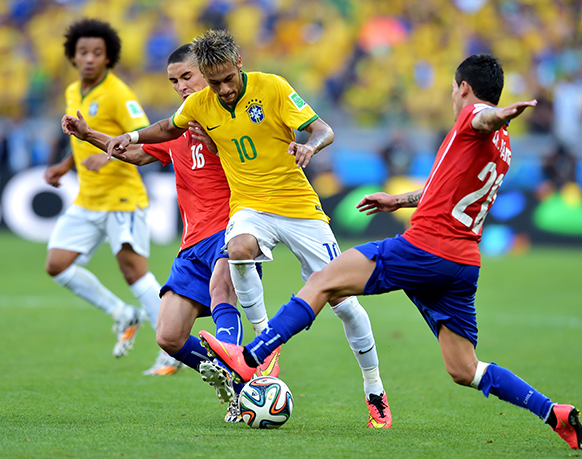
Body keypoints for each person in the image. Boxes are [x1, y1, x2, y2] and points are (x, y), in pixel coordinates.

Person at [199, 54, 582, 450]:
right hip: (462, 262)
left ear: (464, 89)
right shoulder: (502, 147)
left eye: (454, 90)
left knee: (323, 282)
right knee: (465, 368)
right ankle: (552, 412)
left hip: (425, 248)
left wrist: (497, 113)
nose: (454, 98)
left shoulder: (476, 120)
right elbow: (443, 187)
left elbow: (481, 118)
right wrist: (399, 200)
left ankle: (251, 357)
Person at [104, 29, 390, 429]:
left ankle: (374, 387)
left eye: (227, 79)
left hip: (299, 208)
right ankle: (263, 344)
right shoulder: (201, 103)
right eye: (214, 81)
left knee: (345, 303)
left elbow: (322, 128)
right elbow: (168, 128)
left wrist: (311, 145)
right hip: (250, 207)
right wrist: (129, 136)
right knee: (237, 247)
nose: (222, 89)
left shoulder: (271, 87)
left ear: (239, 64)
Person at [61, 43, 277, 422]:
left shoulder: (233, 118)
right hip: (192, 242)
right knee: (169, 336)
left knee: (222, 290)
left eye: (187, 76)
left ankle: (240, 381)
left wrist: (216, 141)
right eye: (174, 80)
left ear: (208, 73)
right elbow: (137, 153)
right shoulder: (177, 125)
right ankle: (236, 380)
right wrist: (88, 134)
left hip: (233, 229)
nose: (180, 86)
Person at [44, 18, 181, 375]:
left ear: (109, 58)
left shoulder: (120, 94)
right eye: (83, 52)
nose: (89, 58)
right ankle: (122, 314)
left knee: (134, 272)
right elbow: (80, 140)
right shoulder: (74, 91)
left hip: (122, 197)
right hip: (88, 199)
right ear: (72, 57)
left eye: (97, 53)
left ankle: (171, 349)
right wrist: (64, 166)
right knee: (57, 265)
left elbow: (145, 135)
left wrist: (106, 155)